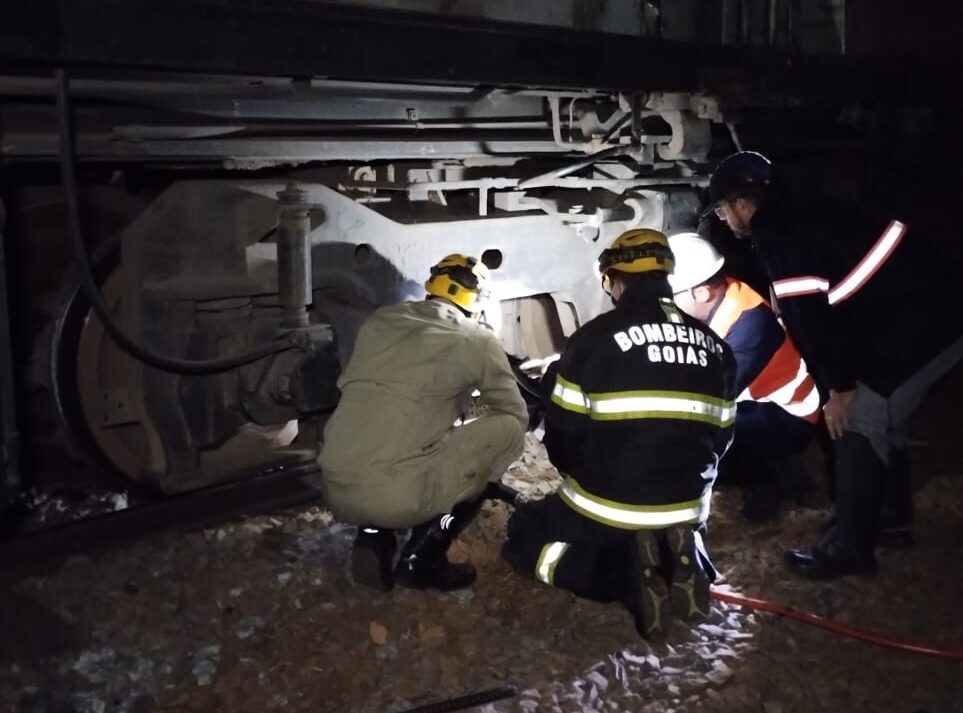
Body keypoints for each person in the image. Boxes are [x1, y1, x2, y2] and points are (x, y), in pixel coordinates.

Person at [704, 150, 963, 578]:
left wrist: (840, 388)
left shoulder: (775, 230)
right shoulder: (803, 210)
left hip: (924, 323)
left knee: (859, 419)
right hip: (930, 308)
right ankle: (887, 520)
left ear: (742, 204)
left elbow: (810, 317)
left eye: (721, 211)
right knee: (885, 416)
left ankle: (849, 550)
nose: (725, 221)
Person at [501, 228, 736, 640]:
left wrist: (585, 479)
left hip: (609, 506)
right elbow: (720, 440)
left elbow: (563, 438)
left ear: (614, 279)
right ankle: (677, 555)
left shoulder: (592, 340)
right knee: (662, 517)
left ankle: (624, 580)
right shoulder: (717, 347)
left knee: (526, 537)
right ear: (667, 275)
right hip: (689, 505)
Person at [319, 254, 528, 592]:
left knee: (387, 426)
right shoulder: (476, 338)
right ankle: (421, 559)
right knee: (506, 430)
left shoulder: (381, 320)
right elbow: (514, 412)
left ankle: (373, 536)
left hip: (335, 487)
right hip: (398, 497)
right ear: (478, 302)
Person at [668, 232, 819, 520]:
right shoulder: (718, 302)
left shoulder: (750, 325)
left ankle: (769, 480)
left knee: (691, 441)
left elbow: (708, 396)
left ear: (701, 293)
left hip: (789, 415)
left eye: (669, 296)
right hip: (755, 402)